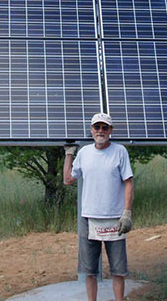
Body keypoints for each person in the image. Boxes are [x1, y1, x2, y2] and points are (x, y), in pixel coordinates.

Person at [63, 112, 134, 301]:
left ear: (110, 130)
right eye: (97, 127)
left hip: (115, 218)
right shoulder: (84, 153)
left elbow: (128, 182)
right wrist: (69, 154)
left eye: (104, 127)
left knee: (118, 271)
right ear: (91, 130)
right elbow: (68, 179)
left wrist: (127, 212)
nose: (100, 131)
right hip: (89, 218)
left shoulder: (120, 151)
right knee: (89, 271)